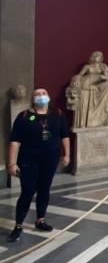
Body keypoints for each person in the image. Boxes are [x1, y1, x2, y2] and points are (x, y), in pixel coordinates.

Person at [6, 88, 70, 242]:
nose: (41, 96)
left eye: (44, 93)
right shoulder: (24, 116)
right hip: (28, 160)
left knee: (44, 190)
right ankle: (19, 226)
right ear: (33, 99)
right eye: (37, 94)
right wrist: (11, 163)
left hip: (50, 160)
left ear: (48, 97)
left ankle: (40, 220)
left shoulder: (58, 115)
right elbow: (15, 141)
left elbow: (65, 136)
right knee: (27, 192)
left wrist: (67, 154)